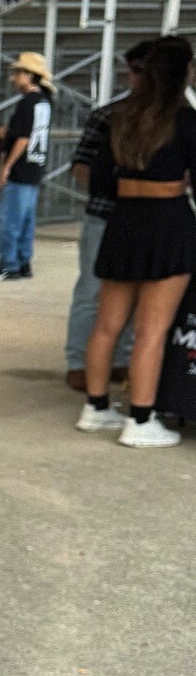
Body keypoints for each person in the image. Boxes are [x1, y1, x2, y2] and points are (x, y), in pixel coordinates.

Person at [79, 34, 196, 449]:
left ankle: (95, 407)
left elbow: (98, 180)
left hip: (123, 221)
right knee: (152, 330)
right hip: (169, 223)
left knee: (107, 324)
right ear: (184, 72)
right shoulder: (187, 120)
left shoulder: (120, 116)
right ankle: (140, 419)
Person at [63, 41, 152, 391]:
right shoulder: (107, 116)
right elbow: (80, 166)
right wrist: (110, 189)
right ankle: (78, 361)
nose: (136, 78)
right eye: (135, 71)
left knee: (137, 290)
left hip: (139, 217)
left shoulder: (174, 119)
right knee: (92, 289)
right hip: (106, 215)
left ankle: (121, 361)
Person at [0, 52, 54, 282]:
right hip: (35, 166)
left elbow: (23, 137)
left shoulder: (27, 102)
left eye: (18, 73)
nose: (14, 78)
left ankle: (8, 264)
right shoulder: (44, 100)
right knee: (25, 220)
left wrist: (7, 166)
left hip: (21, 168)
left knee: (9, 220)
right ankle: (22, 261)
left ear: (30, 76)